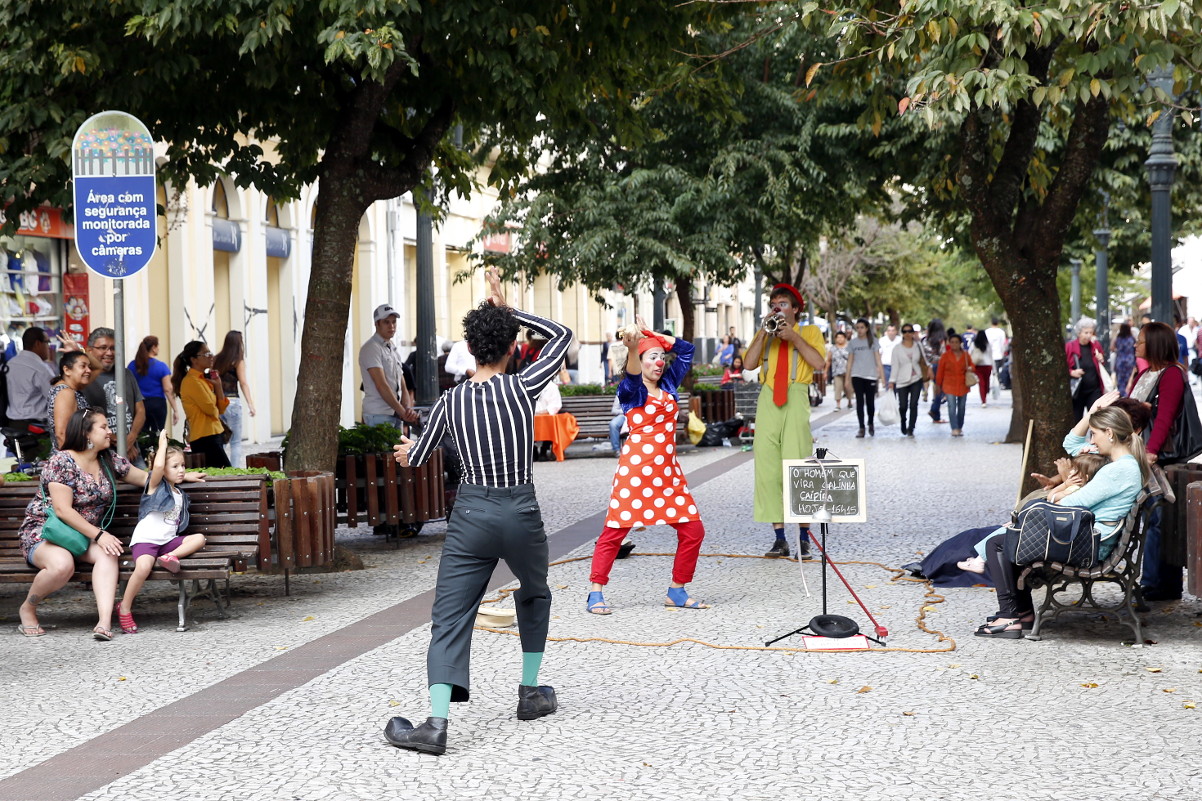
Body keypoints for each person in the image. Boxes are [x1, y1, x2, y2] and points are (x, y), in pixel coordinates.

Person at [384, 267, 569, 756]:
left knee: (450, 614)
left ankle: (435, 724)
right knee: (535, 592)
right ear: (511, 347)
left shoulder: (451, 401)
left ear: (469, 347)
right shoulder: (524, 387)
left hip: (472, 515)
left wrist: (406, 452)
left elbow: (418, 456)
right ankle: (530, 692)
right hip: (521, 509)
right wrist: (510, 312)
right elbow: (562, 335)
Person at [974, 400, 1146, 638]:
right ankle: (1022, 613)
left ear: (1109, 433)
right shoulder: (1122, 464)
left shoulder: (1118, 470)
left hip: (1090, 546)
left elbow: (1072, 503)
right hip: (1090, 538)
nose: (1092, 441)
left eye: (1094, 434)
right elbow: (1073, 454)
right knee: (1013, 535)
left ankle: (1009, 617)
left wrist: (1046, 502)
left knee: (999, 544)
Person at [15, 410, 186, 639]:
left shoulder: (108, 459)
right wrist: (99, 535)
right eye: (103, 427)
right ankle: (28, 607)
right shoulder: (61, 461)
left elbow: (146, 479)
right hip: (47, 532)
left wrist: (178, 476)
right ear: (86, 432)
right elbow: (63, 510)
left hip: (84, 535)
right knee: (63, 565)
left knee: (109, 553)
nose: (109, 432)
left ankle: (104, 623)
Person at [586, 318, 708, 615]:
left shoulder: (668, 383)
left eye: (661, 357)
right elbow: (630, 375)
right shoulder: (632, 391)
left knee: (694, 531)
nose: (659, 362)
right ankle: (595, 593)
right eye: (652, 357)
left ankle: (677, 591)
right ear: (639, 361)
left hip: (668, 474)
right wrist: (633, 347)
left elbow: (687, 351)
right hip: (636, 473)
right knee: (614, 532)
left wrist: (653, 335)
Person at [743, 284, 826, 559]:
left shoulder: (810, 332)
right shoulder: (766, 333)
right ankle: (780, 539)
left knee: (799, 465)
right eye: (774, 304)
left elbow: (819, 363)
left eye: (783, 304)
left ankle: (804, 538)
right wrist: (762, 334)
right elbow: (748, 364)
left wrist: (794, 337)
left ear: (796, 309)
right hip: (768, 397)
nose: (777, 308)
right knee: (767, 468)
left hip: (796, 394)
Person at [116, 428, 208, 633]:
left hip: (167, 543)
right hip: (147, 541)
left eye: (183, 465)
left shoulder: (179, 493)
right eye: (175, 466)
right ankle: (125, 607)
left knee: (199, 538)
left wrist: (186, 476)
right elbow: (158, 467)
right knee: (143, 568)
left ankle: (170, 558)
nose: (181, 470)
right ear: (162, 470)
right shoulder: (155, 486)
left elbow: (174, 475)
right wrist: (162, 444)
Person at [957, 453, 1109, 574]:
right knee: (1008, 528)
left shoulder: (1074, 490)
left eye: (1074, 470)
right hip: (1053, 528)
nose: (1071, 472)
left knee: (1006, 531)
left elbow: (1051, 498)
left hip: (1050, 530)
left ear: (1084, 477)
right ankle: (978, 559)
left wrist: (1064, 483)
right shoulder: (1081, 490)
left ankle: (979, 561)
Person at [1129, 321, 1189, 601]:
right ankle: (1161, 583)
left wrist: (1151, 451)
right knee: (1156, 519)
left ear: (1154, 344)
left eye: (1140, 340)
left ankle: (1155, 583)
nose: (1136, 345)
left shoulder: (1171, 374)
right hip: (1143, 454)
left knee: (1157, 519)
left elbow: (1165, 416)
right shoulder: (1146, 373)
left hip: (1159, 458)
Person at [82, 327, 146, 460]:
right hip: (102, 453)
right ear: (89, 350)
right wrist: (120, 442)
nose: (109, 353)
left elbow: (140, 410)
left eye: (113, 348)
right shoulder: (85, 379)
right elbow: (85, 420)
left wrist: (131, 438)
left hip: (133, 450)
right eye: (103, 348)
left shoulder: (126, 374)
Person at [359, 304, 421, 433]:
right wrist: (403, 412)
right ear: (377, 324)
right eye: (386, 322)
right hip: (378, 414)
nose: (391, 326)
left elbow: (402, 383)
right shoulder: (371, 348)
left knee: (396, 447)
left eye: (394, 322)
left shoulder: (391, 347)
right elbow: (381, 385)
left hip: (395, 414)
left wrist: (407, 409)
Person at [173, 341, 232, 468]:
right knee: (226, 472)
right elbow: (211, 410)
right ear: (193, 359)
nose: (211, 356)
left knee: (222, 473)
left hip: (213, 434)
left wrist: (218, 386)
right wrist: (215, 407)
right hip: (204, 437)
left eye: (210, 353)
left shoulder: (203, 379)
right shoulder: (192, 381)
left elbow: (221, 409)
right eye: (206, 354)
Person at [213, 330, 257, 468]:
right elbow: (243, 383)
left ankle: (220, 468)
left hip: (218, 403)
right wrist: (250, 404)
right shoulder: (237, 361)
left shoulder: (216, 359)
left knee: (221, 439)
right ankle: (235, 471)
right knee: (236, 442)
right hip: (233, 402)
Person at [5, 326, 56, 435]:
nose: (48, 347)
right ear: (38, 344)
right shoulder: (40, 369)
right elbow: (55, 397)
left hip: (12, 425)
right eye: (47, 342)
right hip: (35, 428)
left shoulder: (10, 364)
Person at [130, 335, 181, 439]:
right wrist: (175, 409)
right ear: (153, 347)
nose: (158, 349)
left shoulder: (133, 365)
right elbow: (168, 389)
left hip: (140, 404)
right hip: (157, 404)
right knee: (158, 434)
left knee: (141, 435)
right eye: (158, 346)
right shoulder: (161, 366)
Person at [844, 318, 885, 438]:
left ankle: (870, 423)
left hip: (871, 375)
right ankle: (861, 427)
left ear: (867, 328)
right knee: (859, 402)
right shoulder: (853, 343)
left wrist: (882, 378)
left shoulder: (873, 341)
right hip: (857, 375)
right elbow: (850, 362)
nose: (860, 330)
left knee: (870, 402)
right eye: (858, 328)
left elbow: (878, 360)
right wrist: (847, 379)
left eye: (862, 327)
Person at [888, 324, 927, 437]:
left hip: (916, 378)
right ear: (902, 333)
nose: (907, 334)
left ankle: (911, 427)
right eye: (905, 331)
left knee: (914, 404)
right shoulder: (897, 348)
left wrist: (928, 371)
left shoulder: (918, 346)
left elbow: (924, 359)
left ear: (913, 333)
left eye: (910, 331)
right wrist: (892, 381)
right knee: (903, 405)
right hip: (901, 379)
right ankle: (903, 422)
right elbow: (895, 365)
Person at [50, 351, 92, 452]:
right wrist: (73, 459)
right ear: (67, 370)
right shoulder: (66, 393)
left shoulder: (69, 390)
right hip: (73, 456)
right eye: (83, 366)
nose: (89, 370)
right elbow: (62, 434)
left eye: (89, 366)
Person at [1066, 316, 1105, 420]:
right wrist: (1072, 372)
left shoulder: (1095, 346)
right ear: (1079, 333)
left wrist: (1101, 359)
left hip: (1094, 389)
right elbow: (1064, 367)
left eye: (1091, 332)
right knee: (1077, 419)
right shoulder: (1070, 346)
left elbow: (1101, 364)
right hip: (1077, 391)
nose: (1089, 335)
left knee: (1096, 418)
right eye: (1086, 332)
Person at [936, 333, 972, 437]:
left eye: (956, 342)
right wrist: (938, 385)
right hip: (949, 384)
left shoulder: (966, 355)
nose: (954, 344)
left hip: (963, 384)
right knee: (951, 406)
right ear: (949, 343)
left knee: (962, 407)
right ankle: (954, 428)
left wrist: (970, 368)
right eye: (952, 342)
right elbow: (940, 371)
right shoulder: (945, 356)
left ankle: (960, 426)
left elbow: (972, 365)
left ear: (960, 343)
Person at [923, 319, 947, 422]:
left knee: (938, 389)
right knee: (939, 390)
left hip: (927, 366)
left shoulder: (925, 340)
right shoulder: (941, 340)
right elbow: (943, 354)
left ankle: (936, 415)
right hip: (938, 366)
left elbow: (923, 354)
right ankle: (934, 410)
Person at [984, 317, 1008, 400]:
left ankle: (988, 386)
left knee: (988, 371)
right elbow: (1003, 344)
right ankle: (995, 386)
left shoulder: (987, 332)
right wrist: (1002, 353)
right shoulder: (1001, 332)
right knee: (996, 371)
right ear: (998, 323)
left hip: (988, 355)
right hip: (998, 355)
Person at [825, 331, 850, 411]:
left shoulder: (849, 347)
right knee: (837, 388)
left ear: (845, 338)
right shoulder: (832, 349)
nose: (840, 339)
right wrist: (825, 372)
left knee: (848, 387)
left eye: (841, 337)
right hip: (836, 372)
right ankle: (838, 405)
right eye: (838, 337)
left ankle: (849, 401)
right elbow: (828, 360)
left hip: (848, 371)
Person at [1111, 321, 1137, 397]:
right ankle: (1128, 395)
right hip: (1130, 361)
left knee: (1120, 380)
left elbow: (1112, 348)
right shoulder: (1132, 338)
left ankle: (1122, 395)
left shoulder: (1118, 338)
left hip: (1120, 361)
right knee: (1129, 379)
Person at [969, 330, 993, 407]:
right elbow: (991, 356)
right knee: (986, 382)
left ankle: (983, 400)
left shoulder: (974, 344)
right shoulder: (988, 344)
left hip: (978, 366)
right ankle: (985, 394)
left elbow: (969, 354)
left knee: (981, 383)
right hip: (988, 365)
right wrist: (994, 369)